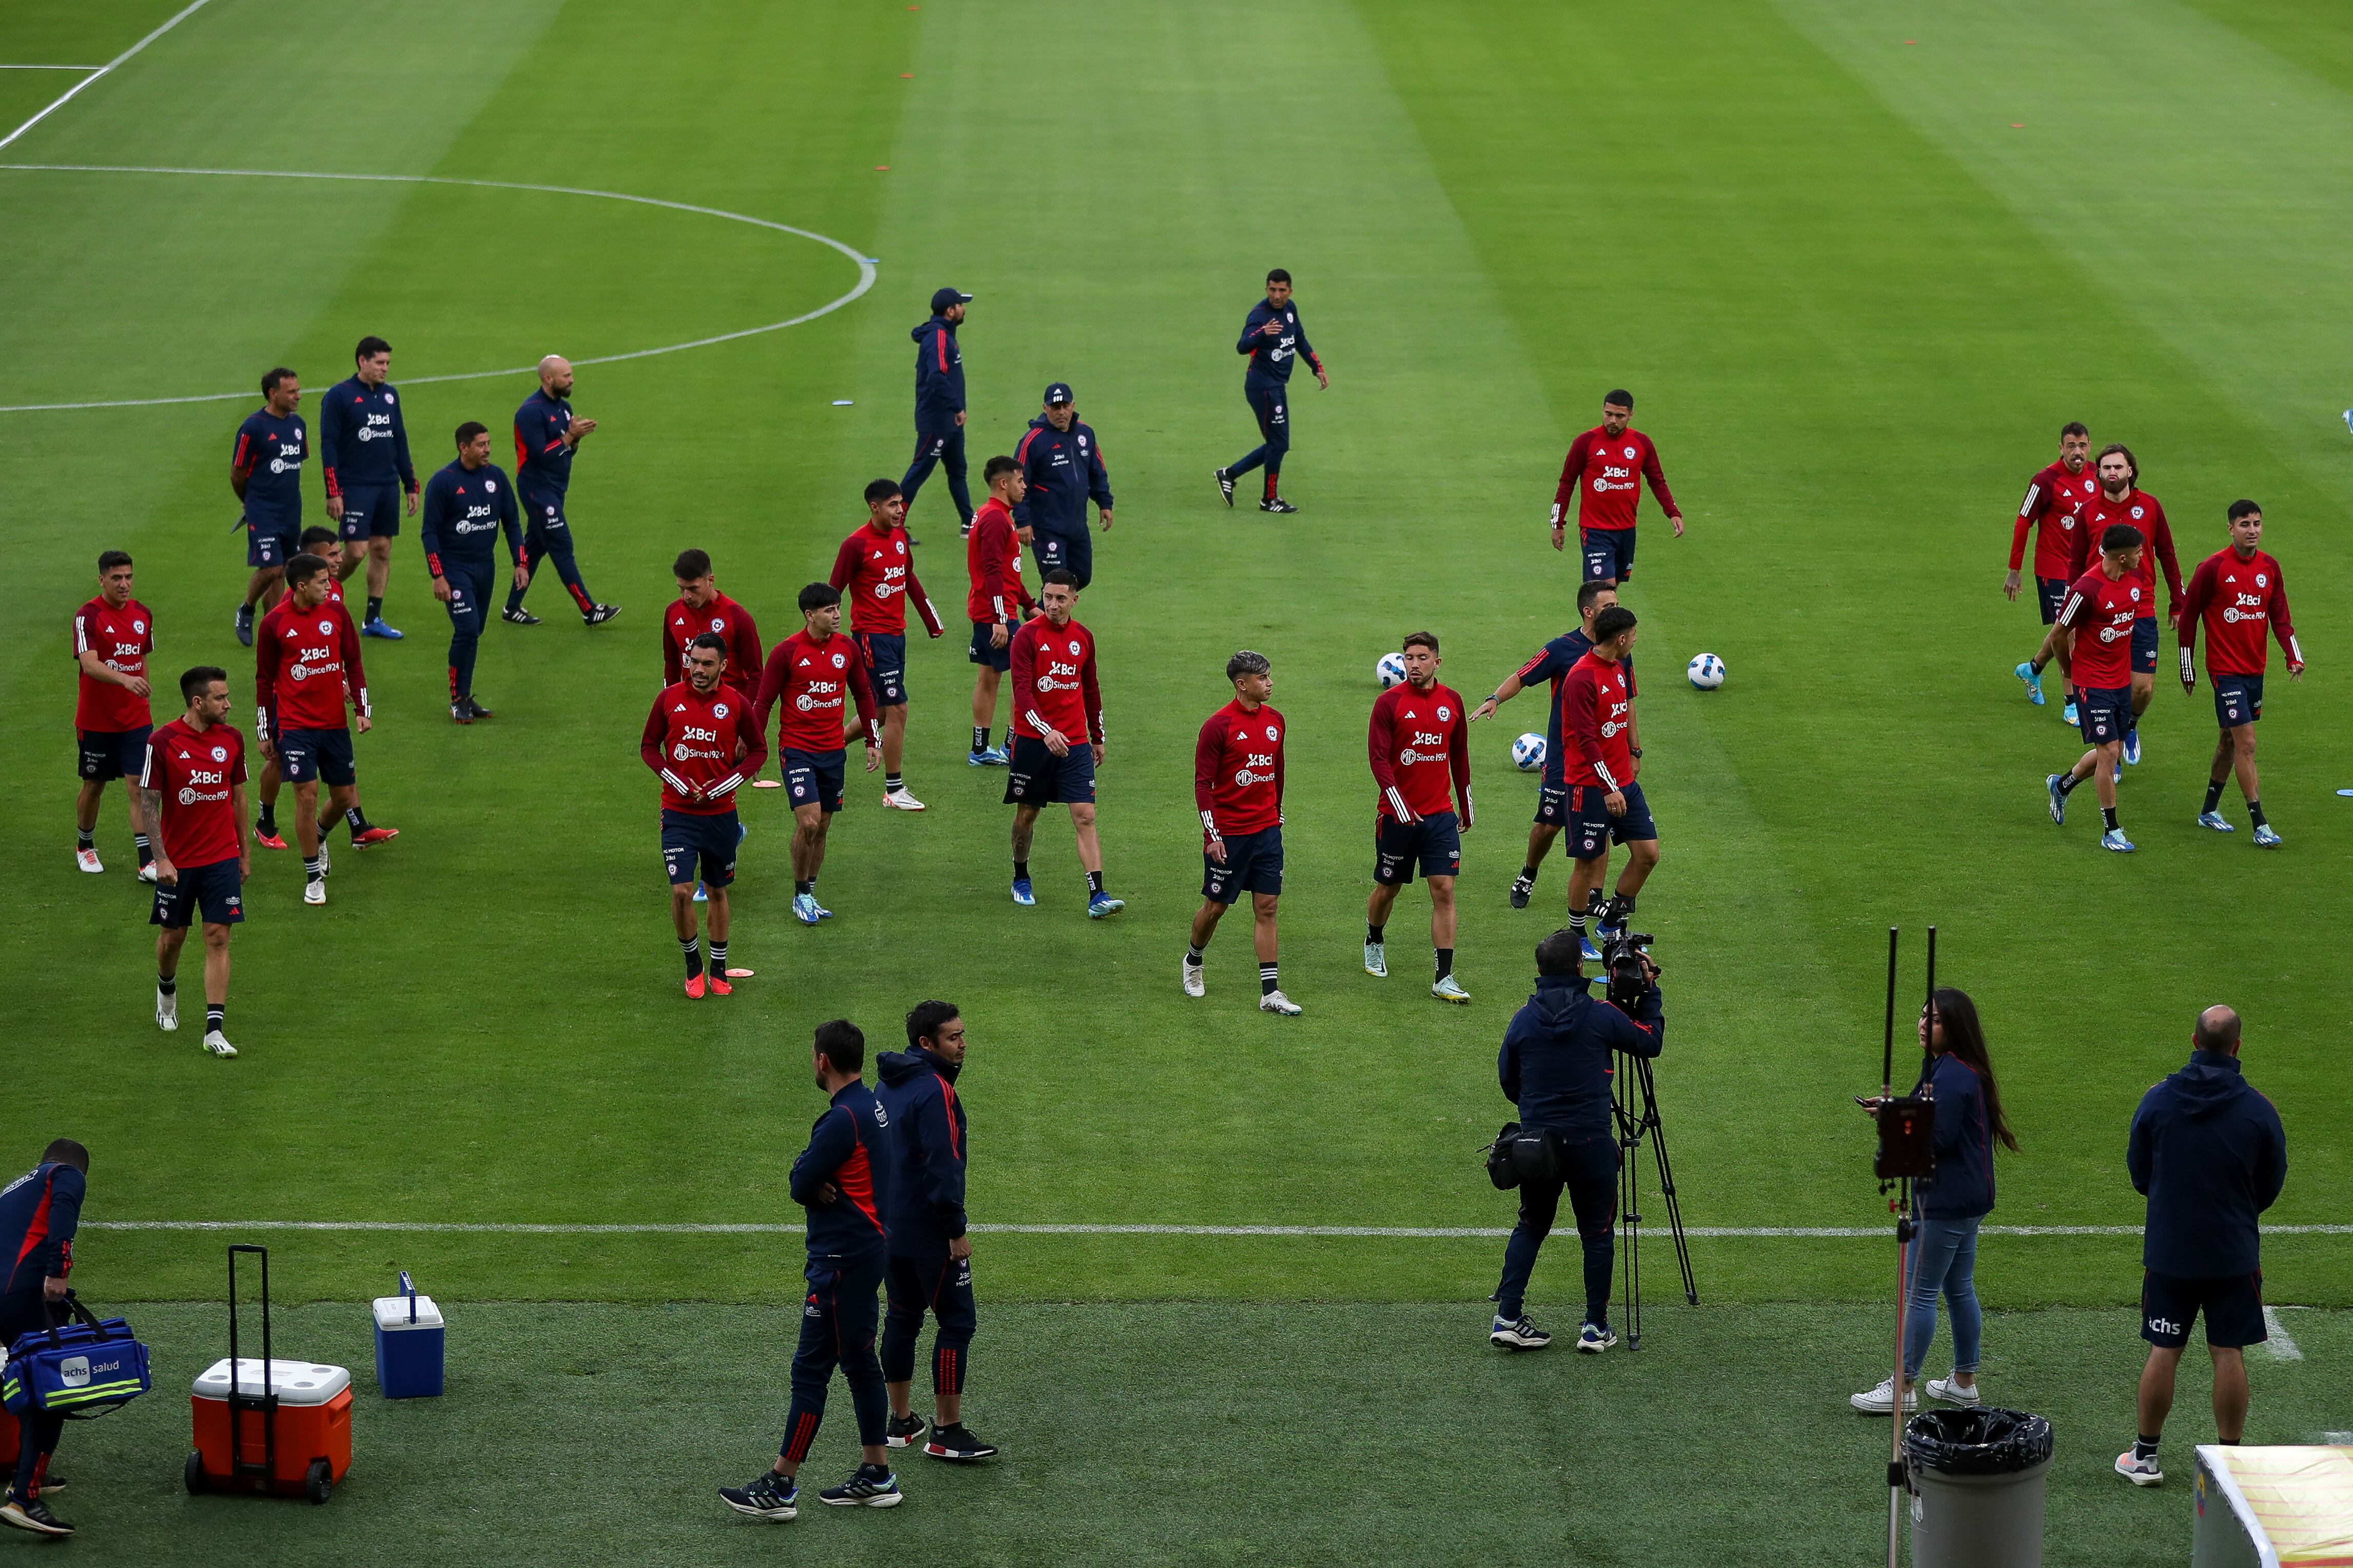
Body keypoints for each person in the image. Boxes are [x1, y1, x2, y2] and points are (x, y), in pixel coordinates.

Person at [718, 1020, 902, 1518]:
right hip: (868, 1254)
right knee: (861, 1362)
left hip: (840, 1262)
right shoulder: (874, 1108)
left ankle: (780, 1485)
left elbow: (801, 1179)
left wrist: (813, 1182)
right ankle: (876, 1472)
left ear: (823, 1061)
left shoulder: (841, 1120)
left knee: (810, 1372)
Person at [2115, 1005, 2287, 1486]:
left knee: (2164, 1348)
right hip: (2233, 1251)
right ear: (2237, 1047)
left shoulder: (2157, 1100)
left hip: (2171, 1252)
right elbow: (2272, 1181)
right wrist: (2240, 1213)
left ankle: (2145, 1457)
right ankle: (2228, 1464)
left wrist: (2172, 1206)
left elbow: (2139, 1171)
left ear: (2194, 1041)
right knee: (2228, 1351)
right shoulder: (2259, 1107)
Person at [1489, 929, 1662, 1354]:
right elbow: (1648, 1040)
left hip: (1537, 1146)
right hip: (1591, 1144)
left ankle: (1507, 1316)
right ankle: (1594, 1327)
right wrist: (1650, 992)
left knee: (1531, 1224)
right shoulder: (1601, 1015)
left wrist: (1536, 1108)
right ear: (1581, 968)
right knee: (1598, 1232)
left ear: (1539, 970)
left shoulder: (1523, 1018)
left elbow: (1508, 1080)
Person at [1849, 989, 2018, 1414]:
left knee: (1919, 1293)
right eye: (1923, 1015)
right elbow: (1932, 1118)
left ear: (1955, 1027)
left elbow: (1935, 1138)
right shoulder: (1954, 1068)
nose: (1925, 1024)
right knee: (1959, 1287)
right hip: (1968, 1197)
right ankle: (1964, 1381)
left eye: (1936, 1019)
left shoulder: (1951, 1076)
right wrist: (1894, 1106)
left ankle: (1904, 1385)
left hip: (1945, 1199)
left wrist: (1891, 1119)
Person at [877, 1001, 998, 1463]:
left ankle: (901, 1421)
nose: (963, 1043)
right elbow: (942, 1163)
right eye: (953, 1037)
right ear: (926, 1044)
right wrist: (954, 1230)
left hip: (891, 1227)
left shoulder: (886, 1083)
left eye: (963, 1034)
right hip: (930, 1230)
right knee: (957, 1322)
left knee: (902, 1318)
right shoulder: (935, 1091)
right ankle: (947, 1430)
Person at [1469, 581, 1626, 920]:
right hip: (1564, 756)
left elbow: (1627, 704)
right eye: (1608, 607)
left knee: (1599, 823)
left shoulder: (1619, 647)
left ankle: (1595, 895)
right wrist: (1495, 698)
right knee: (1549, 824)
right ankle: (1529, 872)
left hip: (1605, 759)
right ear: (1589, 612)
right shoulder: (1562, 648)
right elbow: (1523, 675)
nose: (1616, 611)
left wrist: (1634, 752)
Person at [254, 530, 395, 855]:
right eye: (331, 555)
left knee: (338, 777)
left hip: (326, 704)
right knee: (279, 762)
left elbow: (339, 649)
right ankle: (267, 821)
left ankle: (353, 825)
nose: (340, 559)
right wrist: (264, 727)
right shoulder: (281, 616)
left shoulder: (334, 595)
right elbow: (268, 673)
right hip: (288, 701)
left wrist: (344, 683)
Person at [642, 634, 766, 997]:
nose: (697, 669)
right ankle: (693, 966)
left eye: (706, 663)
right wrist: (675, 780)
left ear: (723, 666)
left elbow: (758, 751)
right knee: (681, 890)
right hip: (678, 813)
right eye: (693, 661)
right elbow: (649, 746)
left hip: (721, 815)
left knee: (716, 890)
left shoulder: (736, 703)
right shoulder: (668, 699)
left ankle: (719, 969)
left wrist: (722, 785)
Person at [754, 585, 880, 926]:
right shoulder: (787, 652)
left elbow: (864, 694)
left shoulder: (848, 649)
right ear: (810, 615)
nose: (837, 615)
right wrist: (754, 745)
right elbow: (764, 702)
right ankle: (800, 894)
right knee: (808, 822)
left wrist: (872, 739)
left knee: (822, 827)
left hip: (832, 752)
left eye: (838, 608)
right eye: (829, 610)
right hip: (797, 750)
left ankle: (808, 891)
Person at [140, 667, 249, 1057]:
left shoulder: (232, 740)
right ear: (198, 702)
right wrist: (161, 858)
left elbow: (238, 798)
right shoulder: (162, 741)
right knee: (173, 938)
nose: (228, 704)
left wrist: (243, 853)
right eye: (221, 698)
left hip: (220, 857)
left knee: (218, 936)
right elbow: (149, 802)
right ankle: (166, 988)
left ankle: (214, 1029)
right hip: (178, 862)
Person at [2180, 501, 2302, 846]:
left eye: (2257, 523)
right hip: (2225, 672)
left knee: (2229, 740)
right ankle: (2260, 823)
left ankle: (2208, 810)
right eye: (2245, 524)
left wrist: (2293, 656)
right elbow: (2189, 617)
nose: (2252, 529)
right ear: (2230, 529)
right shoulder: (2213, 568)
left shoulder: (2270, 568)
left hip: (2254, 670)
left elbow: (2280, 616)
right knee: (2247, 742)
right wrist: (2187, 667)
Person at [1184, 651, 1296, 1013]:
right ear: (1242, 684)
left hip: (1266, 833)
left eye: (1270, 676)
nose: (1270, 683)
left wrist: (1276, 816)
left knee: (1268, 906)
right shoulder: (1218, 726)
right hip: (1229, 836)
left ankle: (1270, 992)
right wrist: (1212, 835)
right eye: (1263, 678)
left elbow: (1277, 773)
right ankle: (1194, 961)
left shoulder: (1276, 721)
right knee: (1216, 907)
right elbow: (1204, 785)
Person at [1004, 570, 1120, 917]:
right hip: (1033, 742)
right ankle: (1021, 877)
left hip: (1075, 744)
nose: (1052, 605)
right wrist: (1045, 731)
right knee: (1027, 814)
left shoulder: (1083, 637)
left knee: (1085, 815)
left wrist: (1096, 737)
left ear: (1074, 600)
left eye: (1060, 598)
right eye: (1048, 597)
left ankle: (1097, 894)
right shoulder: (1026, 637)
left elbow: (1091, 688)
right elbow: (1022, 691)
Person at [1366, 631, 1473, 1002]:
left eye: (1421, 657)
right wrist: (1397, 801)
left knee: (1444, 889)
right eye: (1409, 657)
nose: (1413, 664)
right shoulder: (1389, 703)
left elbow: (1458, 755)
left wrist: (1466, 803)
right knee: (1389, 888)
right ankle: (1375, 939)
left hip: (1440, 816)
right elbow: (1378, 758)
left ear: (1437, 662)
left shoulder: (1452, 702)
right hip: (1396, 817)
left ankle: (1444, 976)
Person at [830, 480, 945, 810]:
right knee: (898, 708)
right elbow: (833, 591)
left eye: (901, 504)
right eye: (893, 505)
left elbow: (908, 578)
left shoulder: (899, 538)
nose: (899, 511)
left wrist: (931, 620)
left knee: (880, 710)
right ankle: (894, 790)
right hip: (870, 637)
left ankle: (827, 747)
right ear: (875, 507)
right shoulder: (855, 545)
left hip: (897, 637)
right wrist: (827, 637)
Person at [2067, 444, 2180, 767]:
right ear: (2098, 473)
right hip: (2097, 613)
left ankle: (2129, 728)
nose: (2112, 473)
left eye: (2118, 467)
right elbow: (2075, 566)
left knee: (2142, 688)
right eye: (2105, 468)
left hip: (2140, 607)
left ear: (2131, 471)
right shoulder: (2087, 512)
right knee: (2106, 685)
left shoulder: (2150, 507)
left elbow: (2167, 553)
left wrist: (2177, 601)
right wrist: (2071, 616)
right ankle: (2110, 753)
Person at [0, 1139, 89, 1539]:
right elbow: (63, 1215)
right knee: (54, 1388)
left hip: (6, 1296)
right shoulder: (66, 1173)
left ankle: (26, 1473)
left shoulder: (14, 1187)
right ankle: (24, 1498)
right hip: (18, 1295)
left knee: (20, 1381)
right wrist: (59, 1271)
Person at [1560, 606, 1659, 955]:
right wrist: (1608, 787)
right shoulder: (1581, 677)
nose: (1635, 639)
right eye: (1633, 634)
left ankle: (1611, 922)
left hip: (1623, 785)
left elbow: (1620, 719)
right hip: (1589, 787)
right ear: (1620, 638)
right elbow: (1586, 740)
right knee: (1587, 864)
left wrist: (1634, 753)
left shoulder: (1618, 667)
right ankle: (1576, 935)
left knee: (1648, 854)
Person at [2042, 525, 2146, 852]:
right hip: (2092, 682)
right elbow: (2059, 634)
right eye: (2140, 552)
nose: (2144, 556)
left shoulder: (2135, 582)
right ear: (2123, 557)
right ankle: (2111, 830)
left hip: (2120, 682)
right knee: (2110, 753)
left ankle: (2061, 785)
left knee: (2110, 750)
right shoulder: (2086, 589)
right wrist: (2069, 672)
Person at [421, 421, 528, 724]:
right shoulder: (443, 482)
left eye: (489, 443)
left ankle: (467, 696)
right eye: (481, 445)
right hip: (455, 569)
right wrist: (438, 575)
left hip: (486, 567)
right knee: (467, 629)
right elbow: (429, 533)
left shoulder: (496, 478)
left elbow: (513, 523)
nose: (488, 450)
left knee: (475, 631)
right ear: (463, 447)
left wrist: (521, 563)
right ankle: (457, 699)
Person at [502, 356, 618, 627]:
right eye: (565, 376)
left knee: (536, 546)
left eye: (571, 374)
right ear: (548, 379)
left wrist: (575, 439)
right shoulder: (530, 412)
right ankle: (590, 610)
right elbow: (541, 455)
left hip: (555, 489)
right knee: (561, 546)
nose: (571, 379)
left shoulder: (565, 408)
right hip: (537, 489)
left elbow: (567, 453)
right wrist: (568, 437)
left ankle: (511, 607)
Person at [319, 334, 419, 639]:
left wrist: (410, 485)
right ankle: (325, 593)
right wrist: (333, 491)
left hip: (386, 485)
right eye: (380, 362)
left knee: (382, 549)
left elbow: (399, 439)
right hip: (356, 486)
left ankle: (373, 619)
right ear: (362, 361)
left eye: (388, 363)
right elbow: (329, 445)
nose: (385, 368)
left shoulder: (390, 396)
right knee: (358, 551)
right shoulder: (339, 396)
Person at [71, 550, 156, 881]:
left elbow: (142, 657)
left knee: (141, 787)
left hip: (136, 719)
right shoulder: (87, 616)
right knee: (95, 784)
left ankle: (147, 861)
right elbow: (89, 663)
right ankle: (85, 845)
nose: (125, 584)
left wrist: (143, 688)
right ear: (102, 579)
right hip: (97, 720)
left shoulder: (143, 614)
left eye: (129, 577)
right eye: (117, 578)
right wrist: (126, 680)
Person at [1214, 268, 1326, 513]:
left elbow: (1299, 339)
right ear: (1266, 289)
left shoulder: (1290, 310)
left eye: (1282, 290)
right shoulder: (1259, 315)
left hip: (1276, 386)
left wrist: (1316, 367)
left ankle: (1229, 474)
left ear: (1290, 291)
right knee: (1278, 443)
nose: (1277, 295)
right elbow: (1242, 346)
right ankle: (1268, 499)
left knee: (1279, 444)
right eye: (1273, 290)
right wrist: (1262, 333)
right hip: (1262, 387)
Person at [2007, 422, 2097, 719]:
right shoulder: (2045, 481)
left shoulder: (2097, 475)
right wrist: (2014, 569)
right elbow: (2023, 522)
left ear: (2089, 447)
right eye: (2071, 446)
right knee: (2070, 634)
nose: (2077, 452)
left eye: (2082, 445)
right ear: (2061, 448)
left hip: (2089, 569)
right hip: (2054, 568)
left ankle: (2032, 670)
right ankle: (2072, 703)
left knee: (2066, 629)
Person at [1548, 391, 1683, 587]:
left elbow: (1657, 480)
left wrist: (1673, 513)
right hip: (1595, 530)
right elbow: (1567, 482)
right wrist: (1557, 524)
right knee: (1604, 588)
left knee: (1609, 593)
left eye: (1619, 416)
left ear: (1630, 415)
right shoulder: (1585, 442)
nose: (1612, 420)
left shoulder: (1642, 443)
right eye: (1608, 414)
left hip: (1627, 530)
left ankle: (1592, 619)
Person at [963, 457, 1034, 767]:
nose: (1024, 486)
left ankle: (981, 750)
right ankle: (1011, 745)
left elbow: (1008, 573)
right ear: (1004, 484)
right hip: (996, 614)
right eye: (1020, 481)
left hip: (993, 610)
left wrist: (1029, 603)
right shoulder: (995, 518)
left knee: (989, 677)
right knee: (1024, 675)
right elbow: (992, 570)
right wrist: (1000, 619)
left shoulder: (995, 515)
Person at [229, 368, 307, 647]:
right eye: (292, 392)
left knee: (284, 568)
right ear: (274, 394)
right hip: (262, 508)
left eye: (298, 390)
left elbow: (297, 462)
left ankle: (272, 626)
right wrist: (249, 500)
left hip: (290, 509)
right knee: (272, 568)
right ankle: (247, 609)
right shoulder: (253, 427)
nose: (299, 396)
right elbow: (237, 472)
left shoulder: (298, 426)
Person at [1013, 384, 1113, 589]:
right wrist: (1022, 521)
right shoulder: (1032, 441)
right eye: (1055, 407)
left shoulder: (1085, 434)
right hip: (1047, 527)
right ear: (1045, 408)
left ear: (1073, 406)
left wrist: (1105, 503)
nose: (1061, 412)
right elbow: (1018, 482)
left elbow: (1097, 471)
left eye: (1065, 406)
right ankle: (1045, 617)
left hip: (1077, 526)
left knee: (1082, 577)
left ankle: (1037, 613)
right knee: (1056, 583)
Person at [902, 288, 974, 536]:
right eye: (961, 306)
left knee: (958, 471)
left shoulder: (944, 335)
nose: (964, 309)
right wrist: (957, 407)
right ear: (950, 311)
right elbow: (936, 377)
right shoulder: (939, 338)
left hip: (951, 422)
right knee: (919, 471)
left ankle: (969, 522)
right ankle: (894, 525)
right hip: (938, 421)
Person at [662, 549, 763, 700]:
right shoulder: (673, 612)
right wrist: (670, 702)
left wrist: (748, 716)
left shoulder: (737, 617)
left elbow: (756, 674)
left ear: (710, 580)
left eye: (693, 589)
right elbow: (672, 662)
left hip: (728, 709)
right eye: (682, 588)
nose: (687, 596)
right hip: (690, 708)